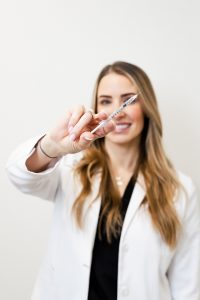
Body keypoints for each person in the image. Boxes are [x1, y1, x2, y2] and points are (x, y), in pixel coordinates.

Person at [6, 61, 200, 300]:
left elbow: (187, 287)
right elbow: (19, 176)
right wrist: (51, 147)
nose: (119, 111)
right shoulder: (70, 169)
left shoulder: (180, 190)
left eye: (129, 99)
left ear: (147, 106)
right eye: (106, 100)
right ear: (96, 108)